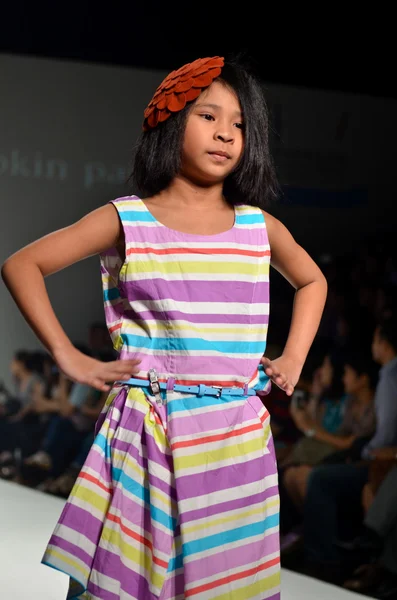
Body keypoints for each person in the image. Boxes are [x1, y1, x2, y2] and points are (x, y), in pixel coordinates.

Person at [1, 55, 327, 599]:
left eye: (240, 123)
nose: (226, 133)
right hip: (152, 431)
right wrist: (67, 355)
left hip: (235, 438)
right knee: (133, 578)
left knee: (230, 584)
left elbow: (312, 282)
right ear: (170, 120)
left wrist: (293, 358)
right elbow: (21, 264)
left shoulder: (258, 227)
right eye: (208, 116)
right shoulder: (128, 219)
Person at [303, 314, 397, 574]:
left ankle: (323, 559)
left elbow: (386, 433)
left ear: (382, 341)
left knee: (319, 477)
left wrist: (364, 450)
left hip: (378, 457)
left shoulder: (389, 378)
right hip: (374, 455)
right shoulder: (382, 380)